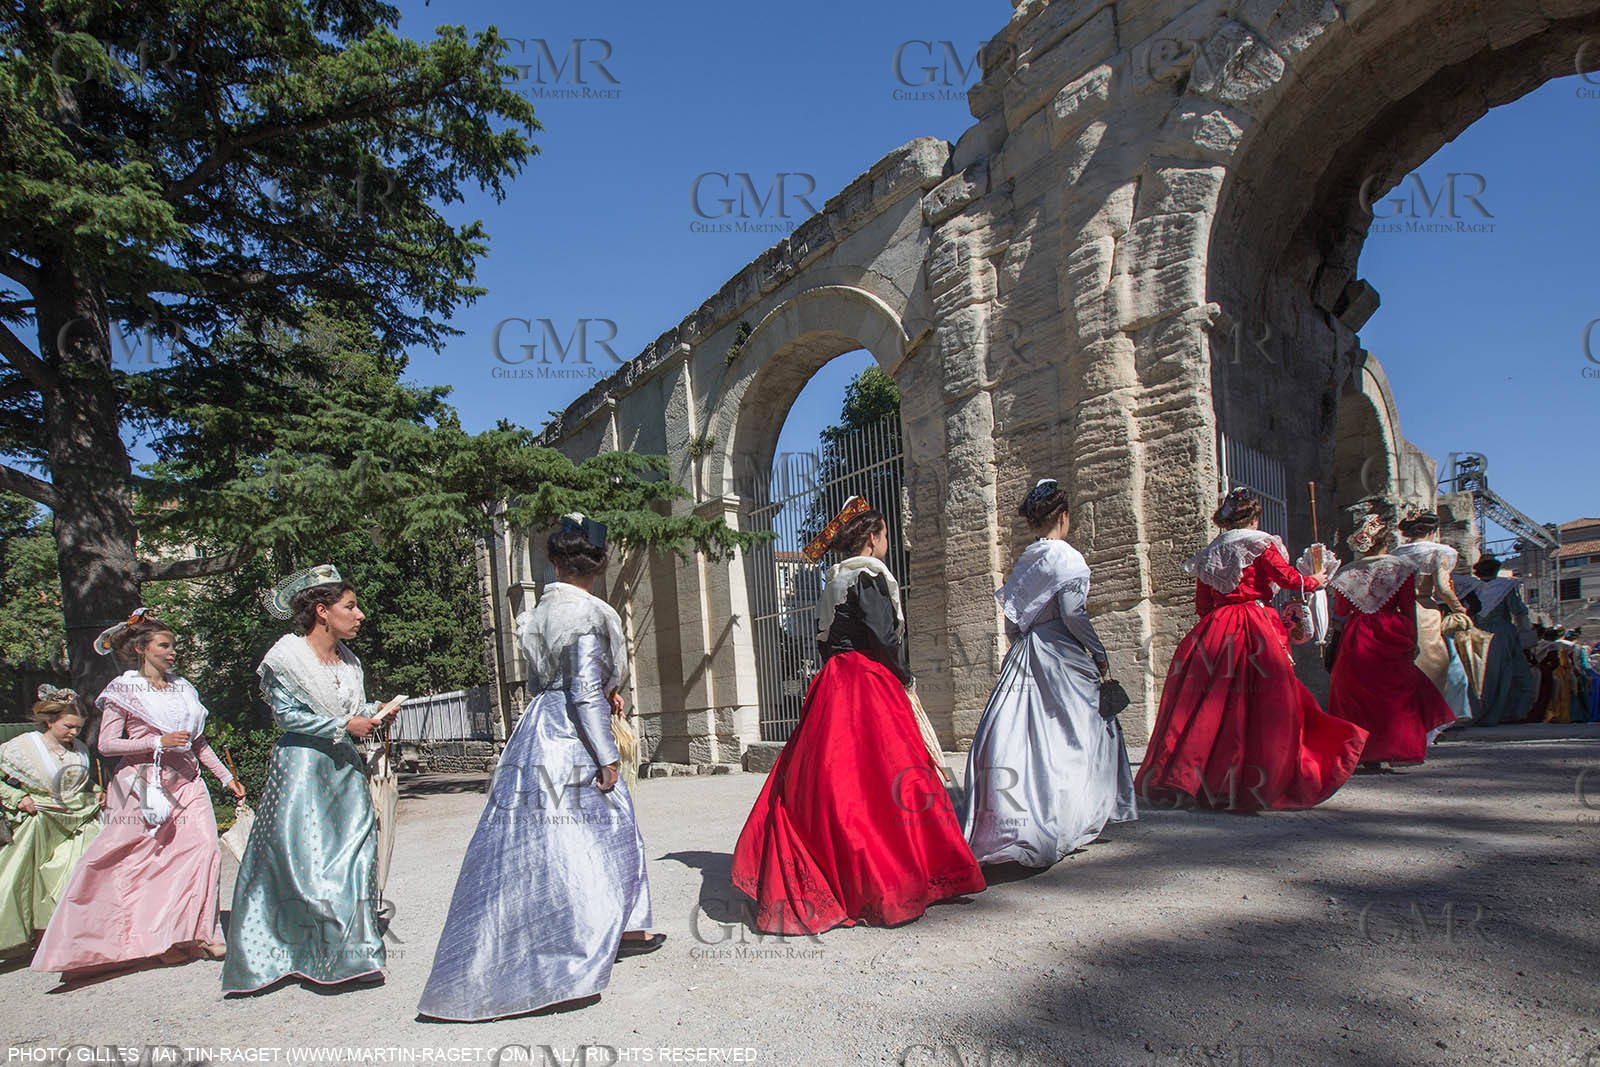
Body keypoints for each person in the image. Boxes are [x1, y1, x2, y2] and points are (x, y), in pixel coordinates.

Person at [418, 515, 660, 1021]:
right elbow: (586, 690)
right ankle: (593, 938)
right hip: (575, 729)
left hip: (538, 727)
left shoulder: (539, 613)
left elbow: (557, 679)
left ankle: (611, 925)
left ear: (554, 563)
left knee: (537, 833)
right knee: (602, 826)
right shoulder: (592, 613)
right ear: (601, 564)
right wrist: (607, 755)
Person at [732, 497, 985, 934]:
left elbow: (825, 643)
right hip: (867, 681)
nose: (887, 542)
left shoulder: (833, 579)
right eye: (885, 535)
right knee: (891, 777)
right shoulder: (868, 574)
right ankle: (897, 877)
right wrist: (903, 677)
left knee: (837, 783)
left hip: (833, 682)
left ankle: (847, 877)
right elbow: (883, 637)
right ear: (872, 538)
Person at [32, 611, 244, 977]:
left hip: (189, 781)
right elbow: (107, 743)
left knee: (205, 851)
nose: (173, 652)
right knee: (145, 860)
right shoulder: (124, 689)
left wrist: (226, 778)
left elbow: (199, 742)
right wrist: (155, 740)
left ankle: (203, 933)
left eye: (174, 645)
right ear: (142, 649)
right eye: (165, 645)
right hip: (145, 784)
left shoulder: (184, 688)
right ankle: (152, 938)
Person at [222, 565, 397, 994]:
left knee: (355, 855)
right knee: (304, 863)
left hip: (344, 768)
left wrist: (375, 712)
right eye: (350, 607)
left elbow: (347, 707)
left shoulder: (350, 661)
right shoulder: (286, 658)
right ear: (322, 611)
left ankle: (351, 954)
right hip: (302, 770)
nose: (360, 615)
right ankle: (288, 954)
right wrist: (344, 725)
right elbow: (287, 716)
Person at [1136, 487, 1365, 811]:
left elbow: (1203, 605)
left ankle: (1197, 778)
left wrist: (1221, 620)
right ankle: (1259, 778)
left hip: (1215, 628)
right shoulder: (1260, 544)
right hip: (1255, 623)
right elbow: (1287, 578)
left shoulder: (1210, 552)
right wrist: (1317, 580)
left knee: (1210, 706)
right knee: (1267, 703)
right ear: (1255, 516)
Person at [961, 479, 1136, 865]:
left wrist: (1025, 641)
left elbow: (1011, 621)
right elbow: (1074, 614)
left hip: (1028, 650)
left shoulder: (1028, 561)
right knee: (1081, 732)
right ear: (1064, 517)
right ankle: (1070, 814)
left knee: (1020, 735)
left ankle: (1015, 819)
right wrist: (1098, 650)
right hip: (1062, 651)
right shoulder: (1069, 559)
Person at [1327, 511, 1457, 767]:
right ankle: (1396, 747)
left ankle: (1364, 752)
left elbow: (1341, 613)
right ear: (1386, 541)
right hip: (1391, 629)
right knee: (1395, 693)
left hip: (1357, 635)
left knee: (1358, 694)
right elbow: (1408, 607)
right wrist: (1413, 640)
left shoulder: (1347, 573)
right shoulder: (1402, 569)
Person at [0, 687, 103, 958]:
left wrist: (94, 789)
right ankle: (40, 937)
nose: (74, 733)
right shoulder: (24, 746)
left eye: (78, 728)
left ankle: (82, 937)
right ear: (50, 721)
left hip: (79, 820)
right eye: (68, 727)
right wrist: (18, 797)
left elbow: (77, 781)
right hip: (41, 820)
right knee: (27, 881)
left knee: (84, 871)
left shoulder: (79, 749)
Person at [1390, 510, 1475, 722]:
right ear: (1434, 530)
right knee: (1437, 663)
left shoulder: (1396, 554)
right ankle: (1438, 716)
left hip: (1400, 612)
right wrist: (1458, 610)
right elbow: (1443, 588)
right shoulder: (1438, 552)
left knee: (1408, 664)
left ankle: (1409, 716)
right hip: (1425, 610)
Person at [1455, 556, 1533, 725]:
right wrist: (1526, 630)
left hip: (1475, 632)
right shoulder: (1505, 588)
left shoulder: (1471, 588)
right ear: (1496, 570)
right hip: (1500, 633)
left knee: (1477, 672)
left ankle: (1474, 711)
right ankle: (1505, 712)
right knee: (1505, 673)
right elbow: (1518, 610)